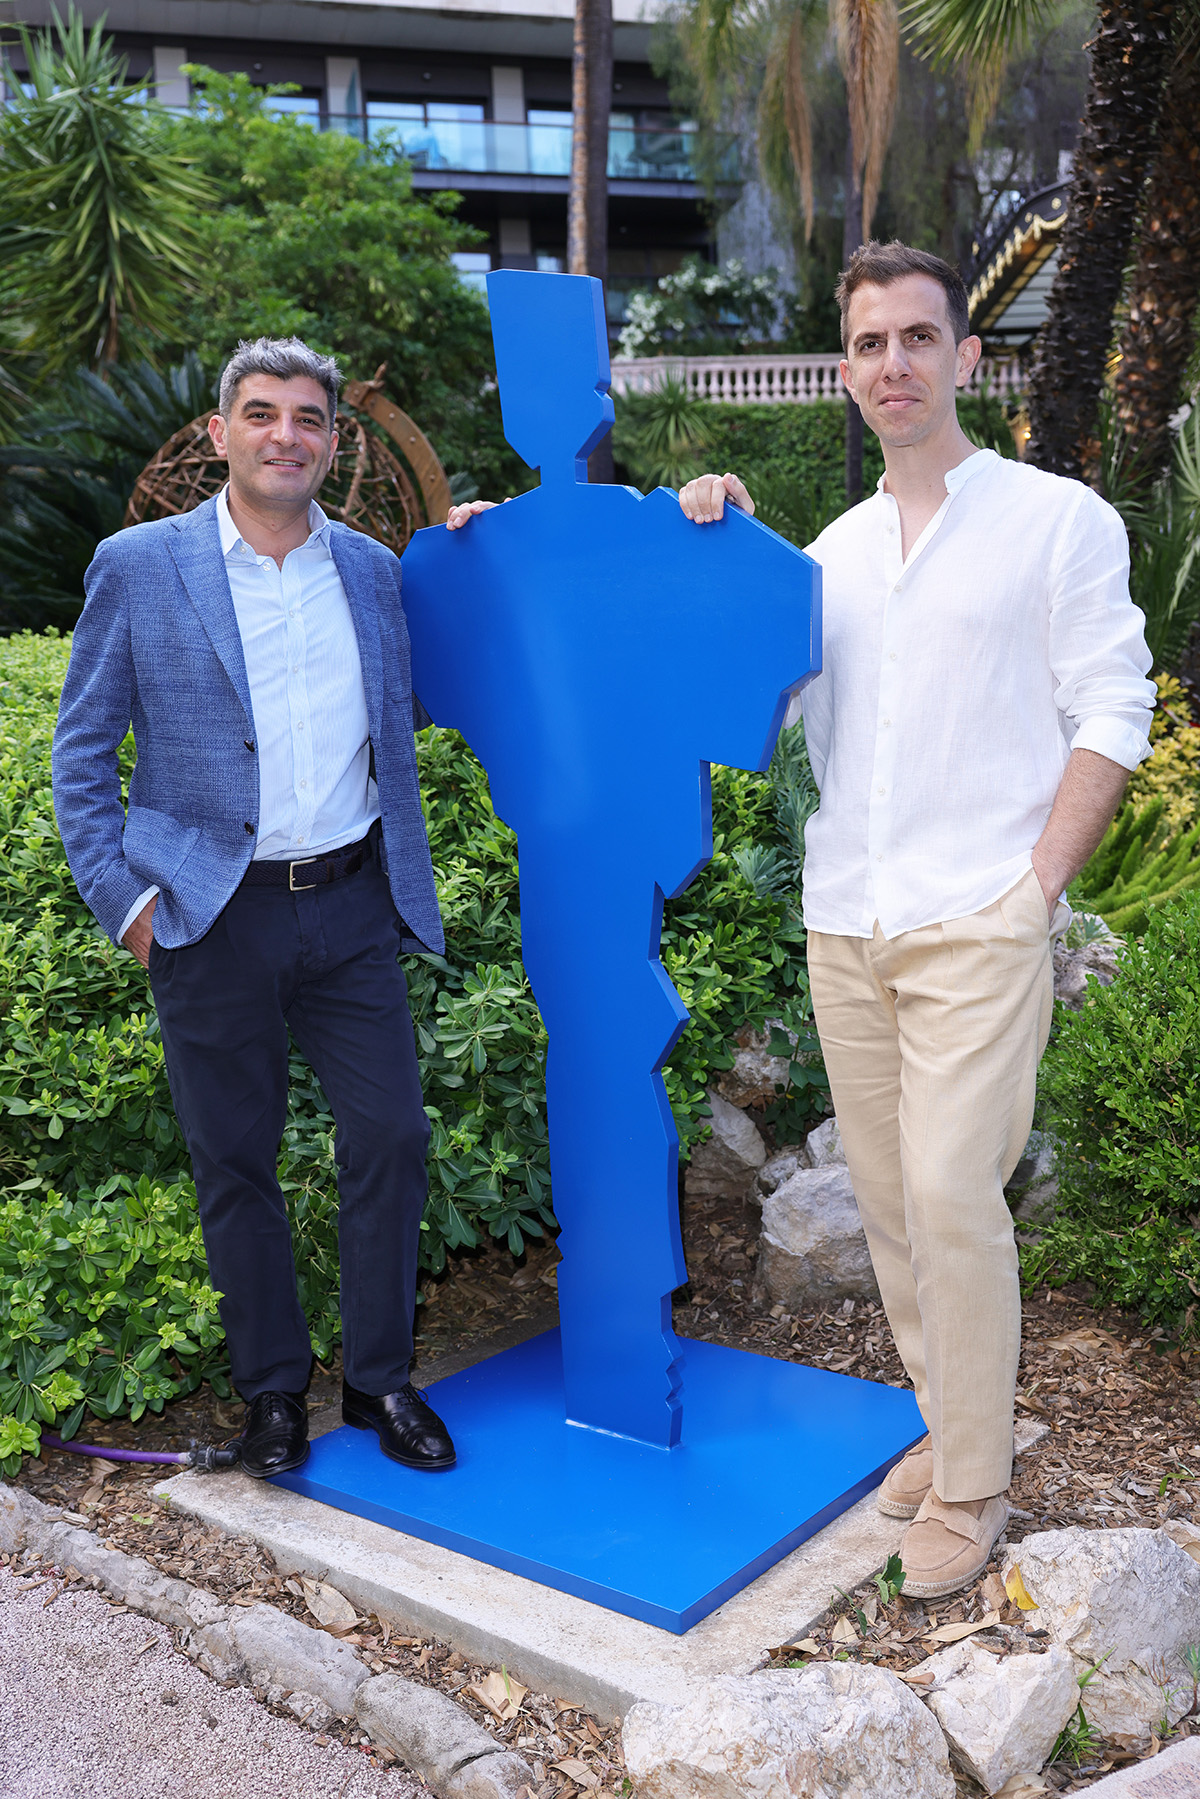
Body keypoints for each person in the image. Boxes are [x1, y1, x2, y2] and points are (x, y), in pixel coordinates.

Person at [677, 240, 1155, 1598]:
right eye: (871, 342)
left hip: (980, 917)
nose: (894, 362)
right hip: (848, 921)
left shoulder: (1058, 519)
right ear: (847, 371)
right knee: (889, 1201)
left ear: (966, 359)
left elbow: (1114, 706)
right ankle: (959, 1420)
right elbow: (753, 713)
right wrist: (715, 549)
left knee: (953, 1191)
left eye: (918, 338)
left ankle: (977, 1480)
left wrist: (1035, 892)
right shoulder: (821, 558)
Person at [53, 336, 456, 1481]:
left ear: (335, 441)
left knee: (390, 1135)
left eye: (311, 419)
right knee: (235, 1158)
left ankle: (378, 1381)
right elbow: (80, 752)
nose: (289, 434)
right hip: (205, 914)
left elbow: (437, 687)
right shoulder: (140, 564)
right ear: (220, 432)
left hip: (348, 904)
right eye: (264, 413)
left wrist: (476, 539)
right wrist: (124, 900)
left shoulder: (375, 573)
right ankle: (273, 1393)